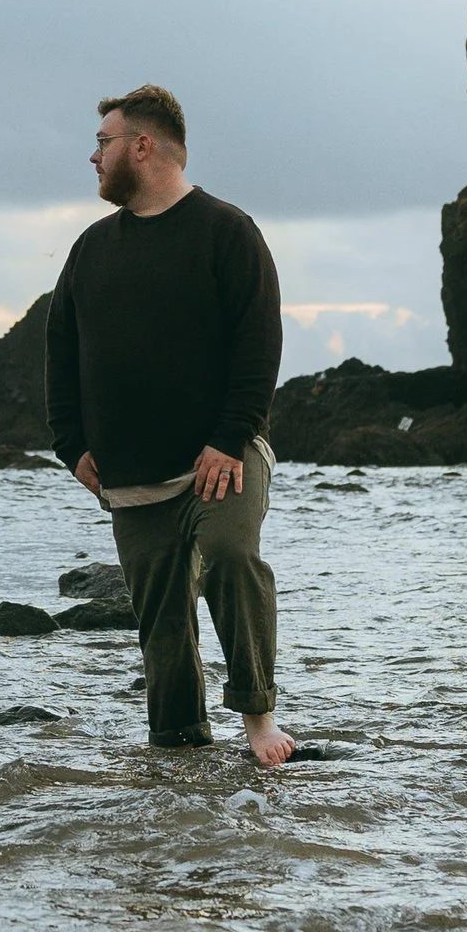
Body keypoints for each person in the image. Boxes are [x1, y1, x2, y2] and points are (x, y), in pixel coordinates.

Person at [46, 85, 294, 764]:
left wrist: (230, 437)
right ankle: (178, 745)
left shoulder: (227, 231)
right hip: (131, 473)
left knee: (232, 557)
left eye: (103, 143)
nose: (93, 157)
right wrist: (71, 445)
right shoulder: (91, 249)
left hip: (222, 455)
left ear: (142, 145)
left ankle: (259, 716)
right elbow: (60, 349)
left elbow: (258, 341)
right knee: (160, 616)